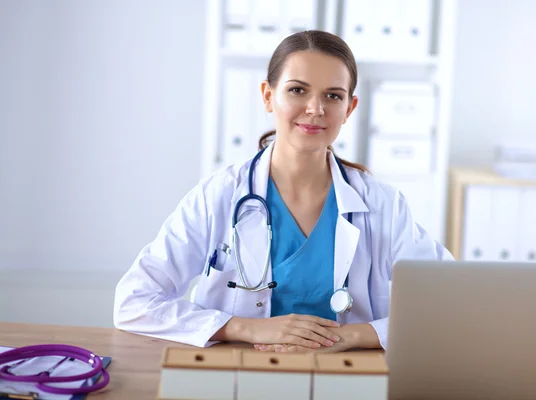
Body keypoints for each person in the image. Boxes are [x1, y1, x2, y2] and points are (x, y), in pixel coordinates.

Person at [113, 30, 453, 353]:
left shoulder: (382, 205)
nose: (315, 109)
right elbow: (134, 301)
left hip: (346, 378)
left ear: (349, 108)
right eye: (297, 90)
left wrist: (350, 337)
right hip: (237, 373)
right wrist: (243, 327)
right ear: (267, 96)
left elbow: (452, 300)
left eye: (332, 96)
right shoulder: (218, 196)